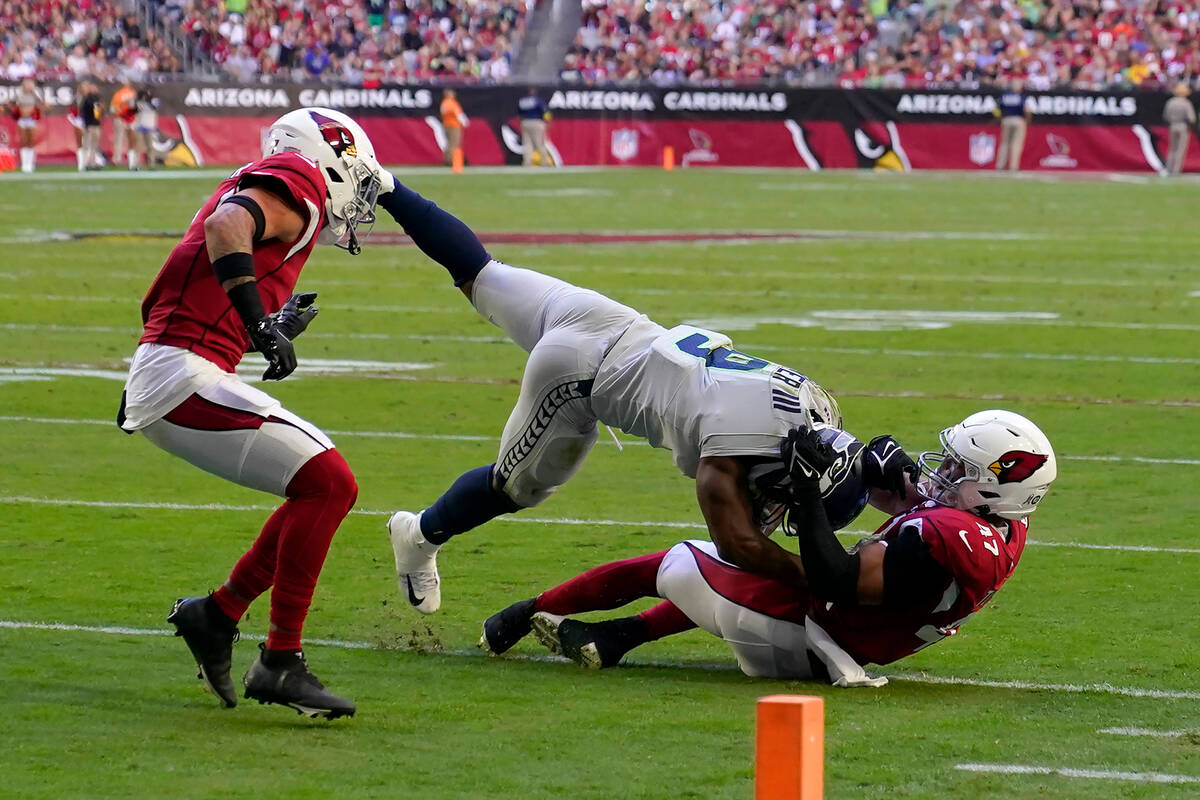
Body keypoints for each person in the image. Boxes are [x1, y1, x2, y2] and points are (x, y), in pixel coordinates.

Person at [375, 180, 920, 615]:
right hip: (578, 378)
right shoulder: (728, 456)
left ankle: (387, 186)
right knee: (514, 488)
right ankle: (419, 534)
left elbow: (841, 461)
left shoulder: (819, 408)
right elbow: (738, 545)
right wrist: (826, 579)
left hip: (608, 319)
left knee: (478, 271)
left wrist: (883, 482)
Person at [117, 107, 387, 719]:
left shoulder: (265, 180)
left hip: (177, 368)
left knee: (320, 487)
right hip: (181, 373)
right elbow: (227, 227)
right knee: (329, 483)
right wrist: (258, 322)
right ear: (326, 155)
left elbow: (183, 283)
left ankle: (217, 615)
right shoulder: (298, 174)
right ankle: (279, 660)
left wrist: (262, 321)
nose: (358, 191)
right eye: (354, 170)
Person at [481, 411, 1056, 686]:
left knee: (680, 562)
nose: (943, 472)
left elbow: (835, 579)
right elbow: (912, 544)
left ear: (992, 489)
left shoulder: (948, 538)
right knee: (731, 575)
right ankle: (615, 638)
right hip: (850, 636)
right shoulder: (1004, 527)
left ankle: (526, 612)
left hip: (812, 638)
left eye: (958, 469)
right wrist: (895, 479)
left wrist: (806, 492)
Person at [994, 78, 1032, 172]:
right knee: (1016, 144)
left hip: (1006, 120)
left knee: (1004, 143)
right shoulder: (1021, 97)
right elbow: (1027, 110)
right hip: (1018, 120)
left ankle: (1000, 165)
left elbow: (996, 109)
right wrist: (1028, 119)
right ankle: (1013, 167)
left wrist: (999, 118)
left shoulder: (1004, 96)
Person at [9, 78, 44, 173]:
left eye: (30, 85)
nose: (29, 87)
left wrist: (33, 111)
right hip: (22, 120)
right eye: (27, 85)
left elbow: (41, 105)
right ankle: (24, 164)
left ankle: (31, 163)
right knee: (23, 140)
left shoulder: (35, 94)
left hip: (31, 120)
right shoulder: (19, 94)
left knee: (31, 141)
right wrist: (18, 111)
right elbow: (11, 104)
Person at [1163, 83, 1195, 176]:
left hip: (1172, 126)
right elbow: (1191, 118)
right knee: (1180, 150)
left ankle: (1168, 169)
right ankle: (1176, 170)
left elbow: (1166, 116)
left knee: (1172, 149)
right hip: (1182, 126)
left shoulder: (1170, 102)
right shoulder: (1186, 103)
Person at [517, 87, 551, 166]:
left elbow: (519, 114)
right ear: (534, 92)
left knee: (527, 144)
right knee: (539, 143)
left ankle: (527, 162)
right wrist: (548, 121)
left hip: (525, 122)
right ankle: (545, 161)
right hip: (536, 122)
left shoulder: (522, 101)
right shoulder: (537, 100)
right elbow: (545, 112)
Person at [132, 86, 161, 170]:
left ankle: (151, 165)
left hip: (150, 127)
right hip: (140, 126)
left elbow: (153, 106)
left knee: (150, 147)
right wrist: (139, 98)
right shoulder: (139, 102)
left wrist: (147, 99)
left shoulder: (155, 100)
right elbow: (134, 109)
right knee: (138, 147)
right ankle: (136, 165)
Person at [111, 81, 137, 169]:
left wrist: (120, 114)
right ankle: (132, 160)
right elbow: (135, 107)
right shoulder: (133, 94)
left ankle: (117, 160)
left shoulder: (118, 94)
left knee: (119, 140)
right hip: (130, 119)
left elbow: (113, 109)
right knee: (132, 140)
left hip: (120, 118)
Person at [79, 83, 104, 171]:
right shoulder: (88, 99)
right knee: (87, 145)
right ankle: (85, 163)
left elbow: (98, 113)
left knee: (94, 146)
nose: (96, 89)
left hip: (95, 124)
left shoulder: (95, 98)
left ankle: (92, 163)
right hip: (90, 125)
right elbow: (95, 109)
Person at [439, 88, 467, 166]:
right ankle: (452, 161)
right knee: (454, 144)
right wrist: (464, 122)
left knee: (449, 144)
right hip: (454, 125)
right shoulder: (451, 103)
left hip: (446, 125)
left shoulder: (444, 102)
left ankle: (447, 159)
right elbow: (458, 114)